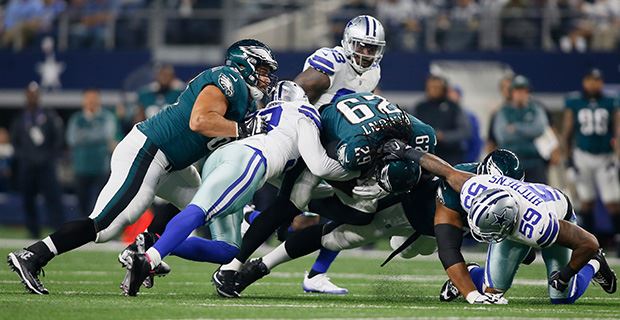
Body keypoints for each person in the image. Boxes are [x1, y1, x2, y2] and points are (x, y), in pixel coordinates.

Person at [7, 39, 278, 295]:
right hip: (150, 150)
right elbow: (199, 121)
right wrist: (241, 129)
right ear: (245, 64)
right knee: (106, 226)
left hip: (174, 164)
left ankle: (145, 246)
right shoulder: (228, 80)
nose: (266, 77)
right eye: (263, 70)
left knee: (207, 208)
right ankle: (34, 255)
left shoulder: (246, 101)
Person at [123, 81, 359, 296]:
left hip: (225, 157)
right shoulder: (304, 113)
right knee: (200, 211)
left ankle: (152, 244)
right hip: (250, 159)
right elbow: (318, 165)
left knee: (227, 249)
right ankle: (149, 259)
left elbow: (281, 176)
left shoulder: (264, 114)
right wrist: (352, 173)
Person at [213, 92, 437, 298]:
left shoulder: (424, 135)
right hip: (319, 133)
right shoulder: (357, 150)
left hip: (365, 131)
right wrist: (357, 184)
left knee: (361, 215)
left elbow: (424, 169)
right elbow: (322, 166)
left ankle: (270, 221)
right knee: (291, 203)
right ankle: (230, 267)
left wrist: (383, 185)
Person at [244, 14, 387, 294]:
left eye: (372, 48)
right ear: (347, 43)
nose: (366, 53)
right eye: (361, 45)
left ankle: (315, 272)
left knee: (348, 206)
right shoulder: (331, 61)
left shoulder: (373, 74)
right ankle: (244, 244)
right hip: (307, 140)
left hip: (332, 145)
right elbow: (295, 95)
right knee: (296, 215)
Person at [381, 140, 618, 304]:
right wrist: (408, 152)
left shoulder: (538, 226)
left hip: (554, 215)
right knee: (490, 292)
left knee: (562, 296)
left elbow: (589, 242)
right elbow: (443, 169)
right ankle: (473, 273)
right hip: (511, 219)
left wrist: (565, 274)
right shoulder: (472, 185)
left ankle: (595, 265)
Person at [561, 68, 620, 248]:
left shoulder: (611, 101)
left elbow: (618, 129)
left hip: (605, 156)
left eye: (597, 80)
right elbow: (567, 133)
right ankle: (592, 243)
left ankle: (617, 238)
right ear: (584, 82)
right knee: (586, 201)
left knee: (613, 201)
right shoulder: (575, 102)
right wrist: (568, 161)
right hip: (582, 156)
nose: (593, 84)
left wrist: (617, 157)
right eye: (590, 80)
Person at [10, 81, 64, 239]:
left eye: (35, 94)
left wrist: (49, 156)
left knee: (53, 198)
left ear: (38, 96)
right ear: (26, 96)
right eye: (30, 94)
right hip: (27, 166)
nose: (32, 97)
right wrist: (24, 156)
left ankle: (58, 230)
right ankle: (33, 230)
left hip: (46, 165)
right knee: (28, 199)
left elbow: (58, 138)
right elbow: (15, 141)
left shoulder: (48, 116)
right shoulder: (21, 119)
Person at [66, 88, 118, 216]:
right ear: (83, 101)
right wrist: (97, 135)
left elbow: (107, 135)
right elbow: (72, 139)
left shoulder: (107, 117)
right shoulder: (76, 118)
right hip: (81, 168)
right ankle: (82, 232)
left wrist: (83, 135)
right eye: (88, 98)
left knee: (101, 204)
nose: (91, 101)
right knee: (82, 205)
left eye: (94, 98)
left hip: (101, 168)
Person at [492, 75, 550, 183]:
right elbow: (503, 136)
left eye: (523, 90)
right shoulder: (503, 111)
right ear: (512, 92)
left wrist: (516, 127)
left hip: (535, 161)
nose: (520, 94)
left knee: (540, 196)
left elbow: (539, 129)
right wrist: (529, 132)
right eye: (517, 90)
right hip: (511, 164)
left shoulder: (536, 109)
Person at [413, 75, 471, 165]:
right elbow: (412, 129)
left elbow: (465, 132)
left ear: (444, 89)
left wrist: (444, 136)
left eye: (437, 87)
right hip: (426, 156)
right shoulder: (420, 107)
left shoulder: (453, 107)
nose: (433, 90)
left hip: (450, 157)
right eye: (431, 87)